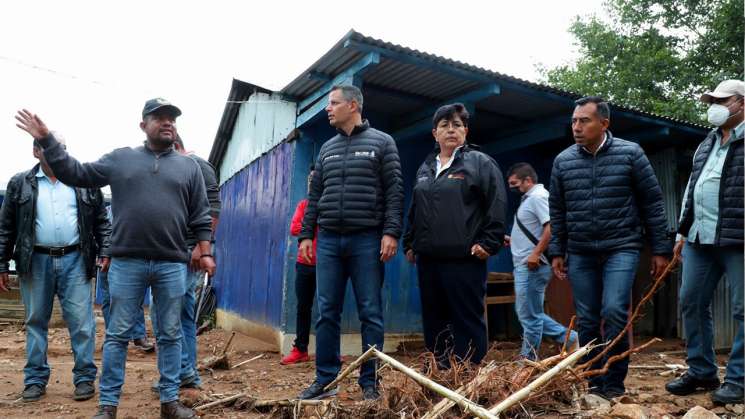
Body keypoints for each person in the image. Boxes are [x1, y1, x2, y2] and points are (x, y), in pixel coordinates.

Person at [15, 98, 215, 419]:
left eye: (172, 119)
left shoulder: (188, 167)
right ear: (143, 125)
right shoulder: (121, 159)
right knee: (118, 335)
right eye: (160, 118)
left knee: (170, 333)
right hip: (127, 263)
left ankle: (169, 402)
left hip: (171, 264)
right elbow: (75, 172)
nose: (168, 123)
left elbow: (201, 215)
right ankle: (108, 406)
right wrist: (46, 139)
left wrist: (204, 252)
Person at [548, 96, 672, 398]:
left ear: (604, 123)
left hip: (622, 247)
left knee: (615, 310)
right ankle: (594, 380)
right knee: (587, 318)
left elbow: (652, 204)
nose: (576, 127)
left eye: (584, 121)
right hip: (580, 251)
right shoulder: (563, 161)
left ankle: (614, 383)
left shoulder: (631, 154)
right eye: (574, 121)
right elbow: (558, 211)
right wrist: (557, 251)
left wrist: (660, 249)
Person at [297, 85, 403, 401]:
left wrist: (391, 232)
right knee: (326, 311)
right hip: (328, 239)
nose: (328, 109)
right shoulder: (326, 149)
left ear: (353, 105)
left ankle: (370, 383)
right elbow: (315, 196)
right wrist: (306, 234)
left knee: (370, 311)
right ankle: (325, 381)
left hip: (367, 239)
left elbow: (395, 191)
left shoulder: (383, 143)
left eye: (333, 103)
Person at [0, 134, 111, 402]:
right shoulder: (19, 183)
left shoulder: (82, 181)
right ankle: (35, 380)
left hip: (76, 259)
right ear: (36, 152)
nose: (56, 151)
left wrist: (105, 250)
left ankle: (84, 378)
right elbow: (6, 227)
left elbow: (101, 221)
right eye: (49, 147)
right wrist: (2, 263)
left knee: (82, 323)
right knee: (36, 321)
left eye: (60, 147)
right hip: (34, 261)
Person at [403, 103, 506, 368]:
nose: (451, 130)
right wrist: (410, 242)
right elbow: (416, 208)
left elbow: (496, 203)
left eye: (457, 125)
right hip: (429, 259)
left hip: (465, 258)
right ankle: (440, 374)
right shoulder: (426, 167)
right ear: (434, 133)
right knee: (435, 318)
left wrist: (489, 242)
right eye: (445, 125)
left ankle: (468, 375)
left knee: (466, 318)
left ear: (466, 131)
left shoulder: (479, 163)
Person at [665, 79, 744, 405]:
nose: (714, 106)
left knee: (744, 310)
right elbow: (692, 191)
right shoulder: (706, 143)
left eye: (722, 101)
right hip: (700, 237)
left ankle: (739, 379)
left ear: (741, 104)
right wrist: (682, 233)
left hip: (738, 238)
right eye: (712, 100)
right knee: (691, 301)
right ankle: (702, 370)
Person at [151, 133, 221, 392]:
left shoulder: (197, 165)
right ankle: (187, 372)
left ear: (176, 147)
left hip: (186, 253)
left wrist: (200, 248)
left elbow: (213, 208)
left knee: (167, 316)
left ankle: (180, 372)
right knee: (182, 316)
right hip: (173, 252)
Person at [505, 162, 577, 360]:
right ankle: (570, 339)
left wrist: (535, 253)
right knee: (529, 313)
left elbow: (551, 227)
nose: (512, 188)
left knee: (529, 315)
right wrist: (514, 240)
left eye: (515, 183)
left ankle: (528, 358)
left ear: (528, 180)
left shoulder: (538, 197)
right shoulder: (529, 198)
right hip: (526, 264)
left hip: (532, 266)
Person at [98, 206, 155, 353]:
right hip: (105, 258)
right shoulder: (104, 211)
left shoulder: (133, 207)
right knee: (107, 299)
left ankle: (139, 335)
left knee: (135, 298)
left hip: (127, 259)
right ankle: (112, 337)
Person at [281, 166, 317, 365]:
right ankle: (300, 349)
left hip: (329, 263)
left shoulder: (328, 204)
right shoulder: (304, 205)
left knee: (330, 308)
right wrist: (312, 226)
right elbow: (295, 228)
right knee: (303, 307)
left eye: (315, 179)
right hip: (304, 264)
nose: (312, 183)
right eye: (310, 179)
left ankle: (330, 350)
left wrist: (310, 226)